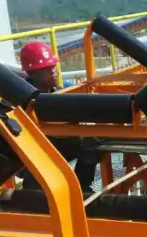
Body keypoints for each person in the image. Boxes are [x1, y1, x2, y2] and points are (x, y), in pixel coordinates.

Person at [15, 41, 102, 193]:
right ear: (31, 73)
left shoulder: (61, 92)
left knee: (93, 142)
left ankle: (81, 187)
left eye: (53, 66)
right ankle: (33, 198)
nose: (54, 71)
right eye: (46, 69)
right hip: (33, 151)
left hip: (57, 144)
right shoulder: (17, 100)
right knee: (36, 170)